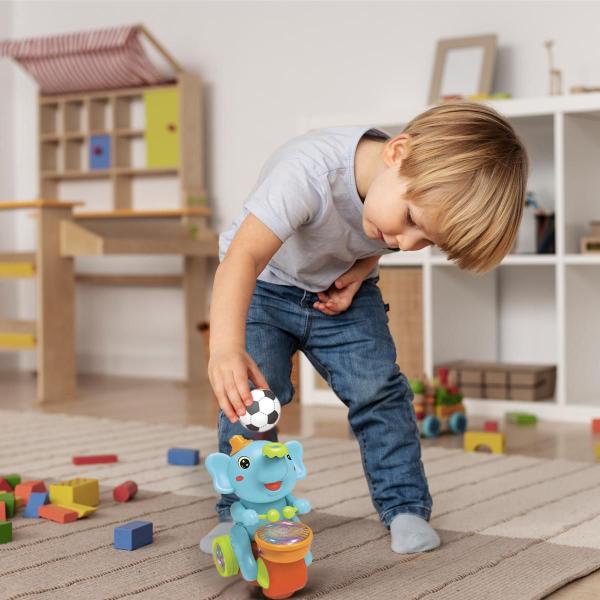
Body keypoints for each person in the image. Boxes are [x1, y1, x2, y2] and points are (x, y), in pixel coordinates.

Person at [199, 101, 528, 556]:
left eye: (428, 241)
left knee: (380, 392)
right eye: (413, 222)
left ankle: (406, 506)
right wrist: (225, 349)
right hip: (263, 285)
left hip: (339, 292)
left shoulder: (399, 197)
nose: (408, 244)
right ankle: (241, 510)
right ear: (397, 153)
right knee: (254, 398)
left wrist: (361, 269)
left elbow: (387, 231)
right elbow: (242, 258)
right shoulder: (308, 172)